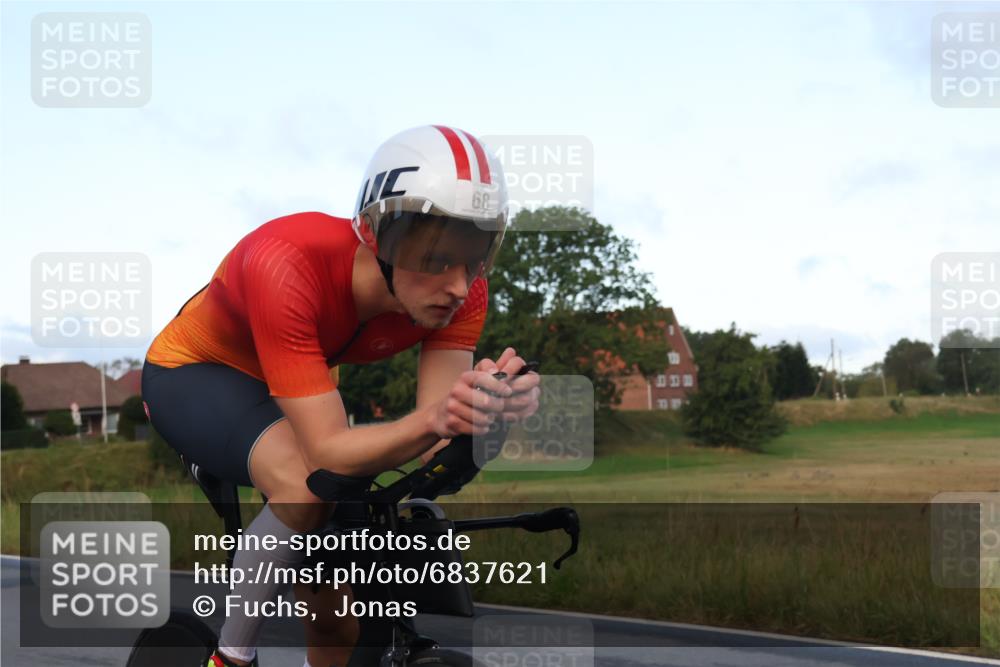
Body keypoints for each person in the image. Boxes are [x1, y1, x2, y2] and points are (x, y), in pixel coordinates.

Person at [141, 125, 541, 667]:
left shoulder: (464, 296)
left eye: (474, 257)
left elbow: (434, 446)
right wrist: (439, 418)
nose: (457, 284)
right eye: (434, 256)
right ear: (378, 235)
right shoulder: (285, 262)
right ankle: (229, 658)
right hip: (197, 373)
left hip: (299, 378)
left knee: (336, 612)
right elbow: (330, 452)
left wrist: (486, 412)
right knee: (304, 489)